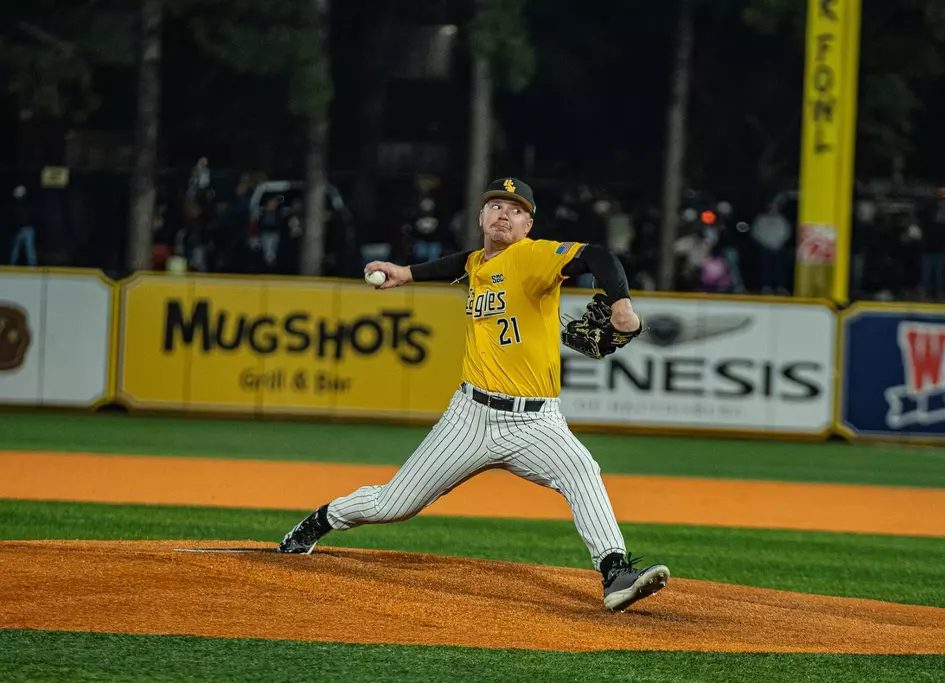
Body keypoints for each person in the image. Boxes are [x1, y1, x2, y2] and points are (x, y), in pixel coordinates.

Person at [279, 177, 670, 613]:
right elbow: (461, 265)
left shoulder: (533, 256)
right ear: (481, 217)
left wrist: (622, 304)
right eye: (496, 206)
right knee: (395, 504)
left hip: (535, 422)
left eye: (516, 209)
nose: (504, 213)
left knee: (582, 470)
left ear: (528, 224)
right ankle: (318, 522)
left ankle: (615, 571)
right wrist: (406, 273)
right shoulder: (479, 263)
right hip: (469, 416)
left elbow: (599, 255)